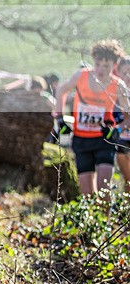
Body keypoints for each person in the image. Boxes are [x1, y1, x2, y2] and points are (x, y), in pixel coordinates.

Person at [54, 40, 130, 197]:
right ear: (93, 61)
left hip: (104, 139)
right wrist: (61, 118)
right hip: (81, 139)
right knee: (87, 193)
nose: (101, 69)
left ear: (114, 65)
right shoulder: (81, 76)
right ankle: (94, 220)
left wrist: (118, 129)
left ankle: (106, 221)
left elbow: (128, 116)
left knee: (103, 188)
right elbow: (61, 90)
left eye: (106, 65)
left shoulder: (118, 85)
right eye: (98, 64)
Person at [112, 57, 130, 193]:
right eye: (124, 73)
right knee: (127, 179)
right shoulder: (114, 93)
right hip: (121, 140)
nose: (128, 76)